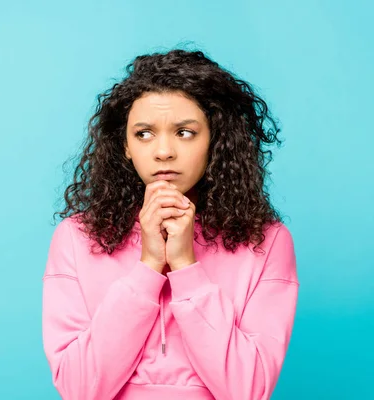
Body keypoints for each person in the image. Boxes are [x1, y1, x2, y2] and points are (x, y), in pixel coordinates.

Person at [41, 48, 299, 400]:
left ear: (216, 141)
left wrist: (184, 265)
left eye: (185, 132)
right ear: (126, 146)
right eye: (144, 133)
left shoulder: (266, 242)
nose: (163, 151)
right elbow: (80, 389)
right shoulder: (76, 237)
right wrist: (148, 266)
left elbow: (248, 391)